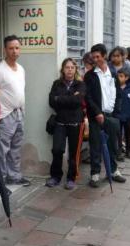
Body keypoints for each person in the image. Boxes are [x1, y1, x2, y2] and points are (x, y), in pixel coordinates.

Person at [84, 43, 126, 188]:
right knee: (95, 145)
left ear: (104, 56)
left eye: (98, 56)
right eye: (93, 57)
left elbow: (118, 93)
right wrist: (97, 113)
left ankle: (114, 170)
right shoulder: (90, 76)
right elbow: (88, 97)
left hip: (111, 115)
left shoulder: (113, 72)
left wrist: (117, 112)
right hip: (96, 116)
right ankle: (95, 174)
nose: (95, 60)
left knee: (112, 144)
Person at [0, 35, 31, 186]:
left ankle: (14, 176)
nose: (14, 51)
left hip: (19, 113)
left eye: (17, 48)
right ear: (5, 49)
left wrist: (22, 110)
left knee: (15, 149)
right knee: (1, 150)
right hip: (5, 114)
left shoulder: (21, 69)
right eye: (11, 48)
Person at [46, 58, 86, 190]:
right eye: (67, 67)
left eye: (72, 67)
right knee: (57, 150)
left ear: (75, 70)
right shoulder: (56, 84)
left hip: (75, 123)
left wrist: (60, 98)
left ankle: (71, 178)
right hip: (60, 122)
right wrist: (69, 98)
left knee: (74, 153)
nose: (69, 70)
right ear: (62, 70)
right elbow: (52, 101)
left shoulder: (80, 85)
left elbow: (77, 101)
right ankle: (55, 176)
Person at [116, 68, 130, 159]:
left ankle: (129, 150)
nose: (119, 78)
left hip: (128, 116)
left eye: (121, 76)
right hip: (118, 116)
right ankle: (119, 151)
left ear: (126, 78)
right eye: (118, 76)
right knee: (118, 135)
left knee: (128, 134)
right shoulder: (115, 89)